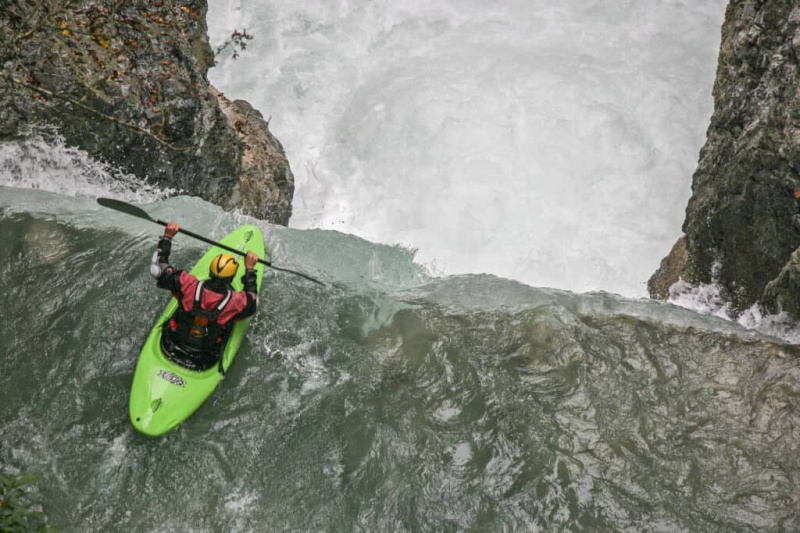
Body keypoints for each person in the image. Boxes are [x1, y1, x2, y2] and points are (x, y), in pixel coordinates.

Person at [150, 222, 259, 370]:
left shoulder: (187, 284)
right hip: (204, 357)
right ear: (231, 278)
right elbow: (253, 302)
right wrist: (250, 271)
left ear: (210, 271)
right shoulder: (235, 302)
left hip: (171, 345)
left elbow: (157, 269)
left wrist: (167, 237)